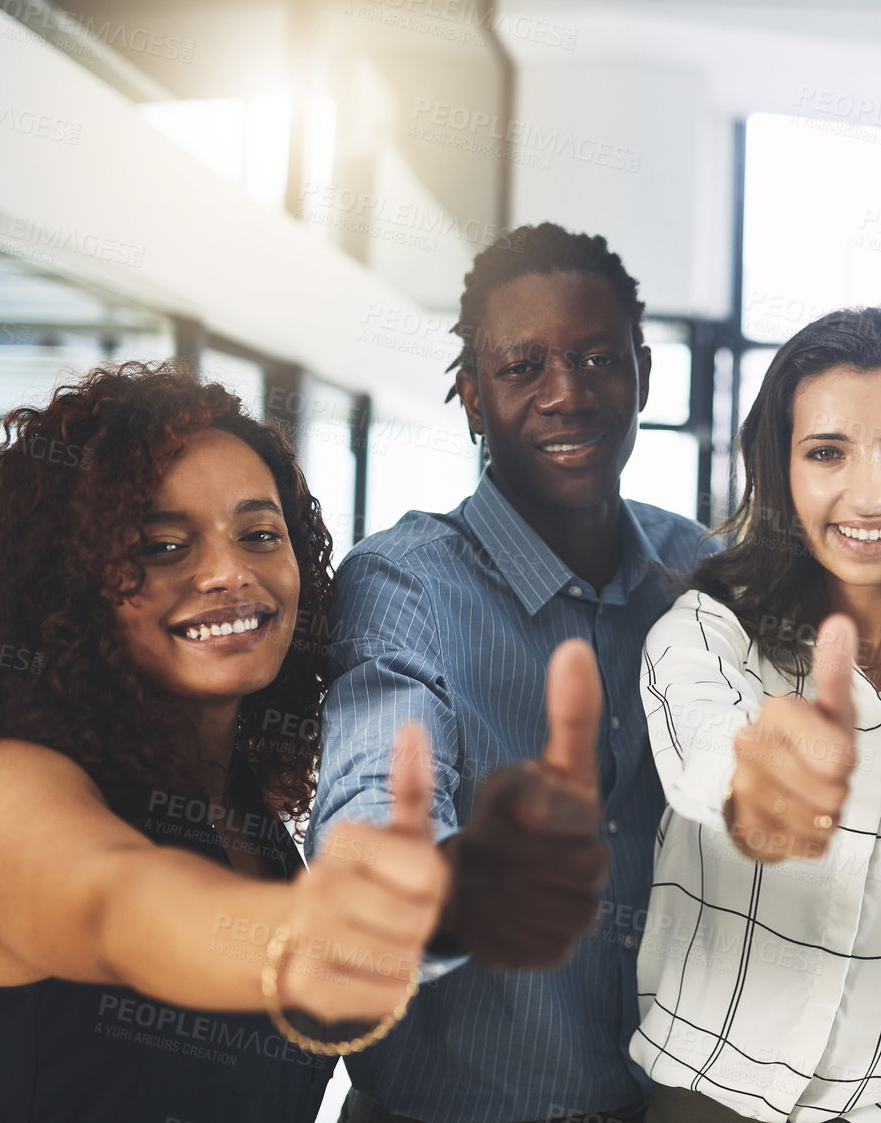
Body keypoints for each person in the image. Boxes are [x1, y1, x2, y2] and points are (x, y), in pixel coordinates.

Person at [0, 364, 449, 1122]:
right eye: (162, 545)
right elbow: (118, 909)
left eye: (258, 535)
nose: (229, 573)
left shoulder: (247, 813)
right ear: (66, 580)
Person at [311, 222, 716, 1123]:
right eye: (522, 365)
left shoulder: (701, 573)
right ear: (471, 399)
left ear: (643, 375)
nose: (567, 394)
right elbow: (374, 790)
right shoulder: (405, 585)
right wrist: (438, 885)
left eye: (598, 359)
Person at [633, 308, 881, 1122]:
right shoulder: (709, 631)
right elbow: (705, 754)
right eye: (826, 453)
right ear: (779, 471)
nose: (870, 494)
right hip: (710, 1101)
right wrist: (762, 780)